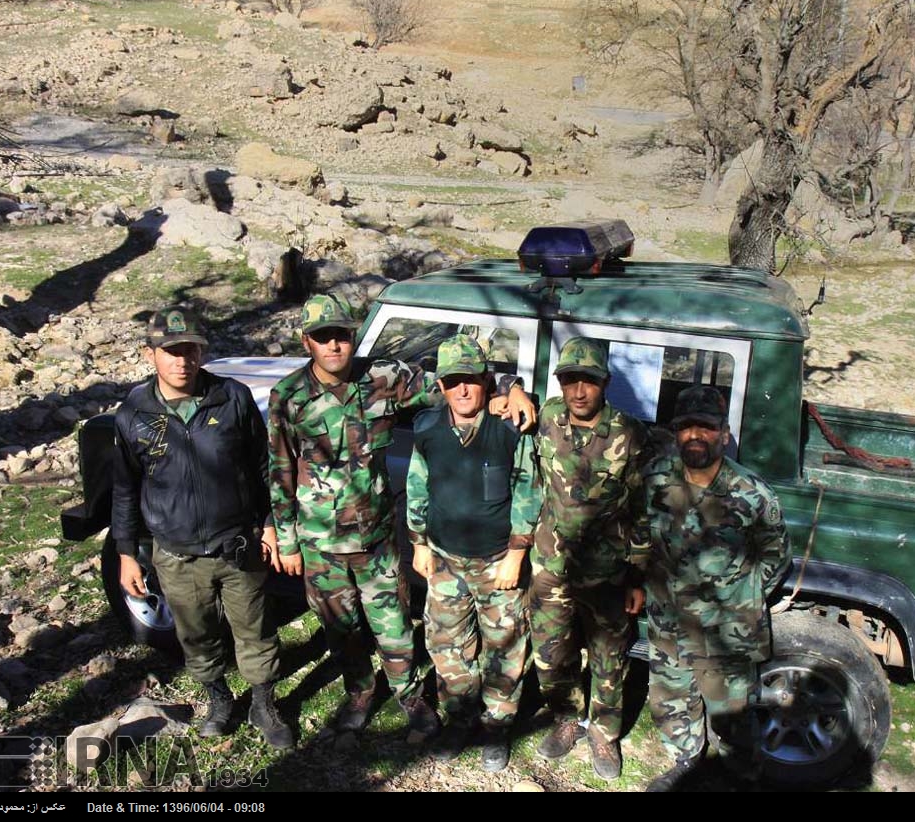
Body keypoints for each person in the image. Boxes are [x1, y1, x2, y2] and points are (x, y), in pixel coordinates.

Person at [267, 293, 535, 739]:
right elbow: (278, 469)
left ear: (352, 338)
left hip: (375, 539)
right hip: (319, 545)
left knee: (393, 627)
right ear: (306, 342)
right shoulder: (288, 396)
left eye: (342, 336)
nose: (334, 345)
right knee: (341, 628)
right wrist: (287, 541)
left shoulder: (384, 377)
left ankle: (410, 697)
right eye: (323, 337)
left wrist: (511, 389)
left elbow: (456, 380)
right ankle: (359, 692)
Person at [112, 306, 293, 749]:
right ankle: (218, 700)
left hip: (238, 545)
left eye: (190, 349)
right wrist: (125, 553)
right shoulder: (134, 412)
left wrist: (268, 523)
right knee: (196, 636)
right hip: (176, 553)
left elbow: (262, 466)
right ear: (150, 353)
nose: (182, 360)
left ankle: (263, 704)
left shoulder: (231, 397)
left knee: (255, 629)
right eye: (171, 351)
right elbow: (124, 488)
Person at [642, 385, 792, 792]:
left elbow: (775, 558)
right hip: (669, 624)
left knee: (734, 718)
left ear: (723, 434)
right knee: (672, 705)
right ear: (675, 433)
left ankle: (741, 776)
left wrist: (735, 596)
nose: (694, 435)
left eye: (705, 427)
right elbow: (639, 535)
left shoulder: (752, 495)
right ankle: (684, 762)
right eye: (686, 427)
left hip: (726, 633)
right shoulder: (655, 479)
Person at [406, 335, 542, 772]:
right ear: (441, 386)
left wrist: (517, 553)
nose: (462, 390)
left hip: (497, 559)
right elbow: (416, 485)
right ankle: (461, 717)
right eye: (452, 382)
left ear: (486, 382)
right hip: (445, 559)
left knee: (505, 645)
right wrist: (418, 543)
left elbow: (527, 489)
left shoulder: (508, 427)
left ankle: (497, 725)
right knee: (447, 643)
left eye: (470, 380)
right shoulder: (427, 428)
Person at [530, 336, 651, 780]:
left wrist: (637, 574)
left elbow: (642, 508)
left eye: (590, 381)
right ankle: (565, 718)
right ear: (560, 383)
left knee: (608, 658)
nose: (579, 391)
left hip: (606, 572)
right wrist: (510, 389)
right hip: (551, 566)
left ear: (606, 382)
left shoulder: (629, 434)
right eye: (570, 380)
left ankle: (604, 733)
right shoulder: (546, 417)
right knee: (551, 653)